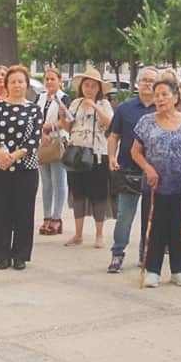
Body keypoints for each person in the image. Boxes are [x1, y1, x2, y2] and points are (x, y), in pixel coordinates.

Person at [132, 79, 181, 287]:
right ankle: (153, 270)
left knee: (179, 228)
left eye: (164, 94)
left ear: (175, 97)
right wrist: (148, 168)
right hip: (155, 187)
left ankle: (179, 270)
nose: (160, 99)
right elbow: (135, 152)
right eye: (157, 95)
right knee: (155, 227)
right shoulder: (146, 122)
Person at [0, 65, 43, 269]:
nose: (17, 85)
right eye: (13, 82)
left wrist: (14, 156)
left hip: (25, 167)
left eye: (20, 81)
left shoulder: (34, 109)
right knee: (0, 212)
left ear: (27, 85)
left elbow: (35, 140)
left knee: (23, 212)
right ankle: (2, 254)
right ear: (6, 85)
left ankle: (20, 255)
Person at [106, 67, 158, 273]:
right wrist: (111, 157)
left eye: (152, 80)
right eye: (144, 80)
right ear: (137, 83)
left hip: (154, 171)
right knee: (124, 216)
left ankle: (145, 254)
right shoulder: (125, 108)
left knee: (151, 217)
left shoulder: (162, 109)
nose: (147, 84)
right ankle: (117, 254)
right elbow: (113, 136)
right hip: (128, 169)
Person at [61, 69, 114, 248]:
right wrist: (63, 118)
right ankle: (78, 234)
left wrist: (95, 106)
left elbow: (110, 124)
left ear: (99, 88)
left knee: (98, 195)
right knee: (78, 194)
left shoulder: (104, 103)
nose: (89, 89)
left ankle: (99, 235)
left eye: (93, 86)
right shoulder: (75, 103)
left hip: (97, 154)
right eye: (86, 85)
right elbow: (68, 127)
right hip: (76, 152)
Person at [36, 68, 70, 237]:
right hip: (42, 142)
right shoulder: (40, 97)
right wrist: (41, 133)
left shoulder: (63, 98)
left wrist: (50, 128)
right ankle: (47, 216)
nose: (49, 82)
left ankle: (57, 218)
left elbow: (67, 121)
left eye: (52, 79)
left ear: (59, 80)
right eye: (47, 79)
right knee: (46, 182)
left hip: (57, 141)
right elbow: (34, 118)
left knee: (59, 180)